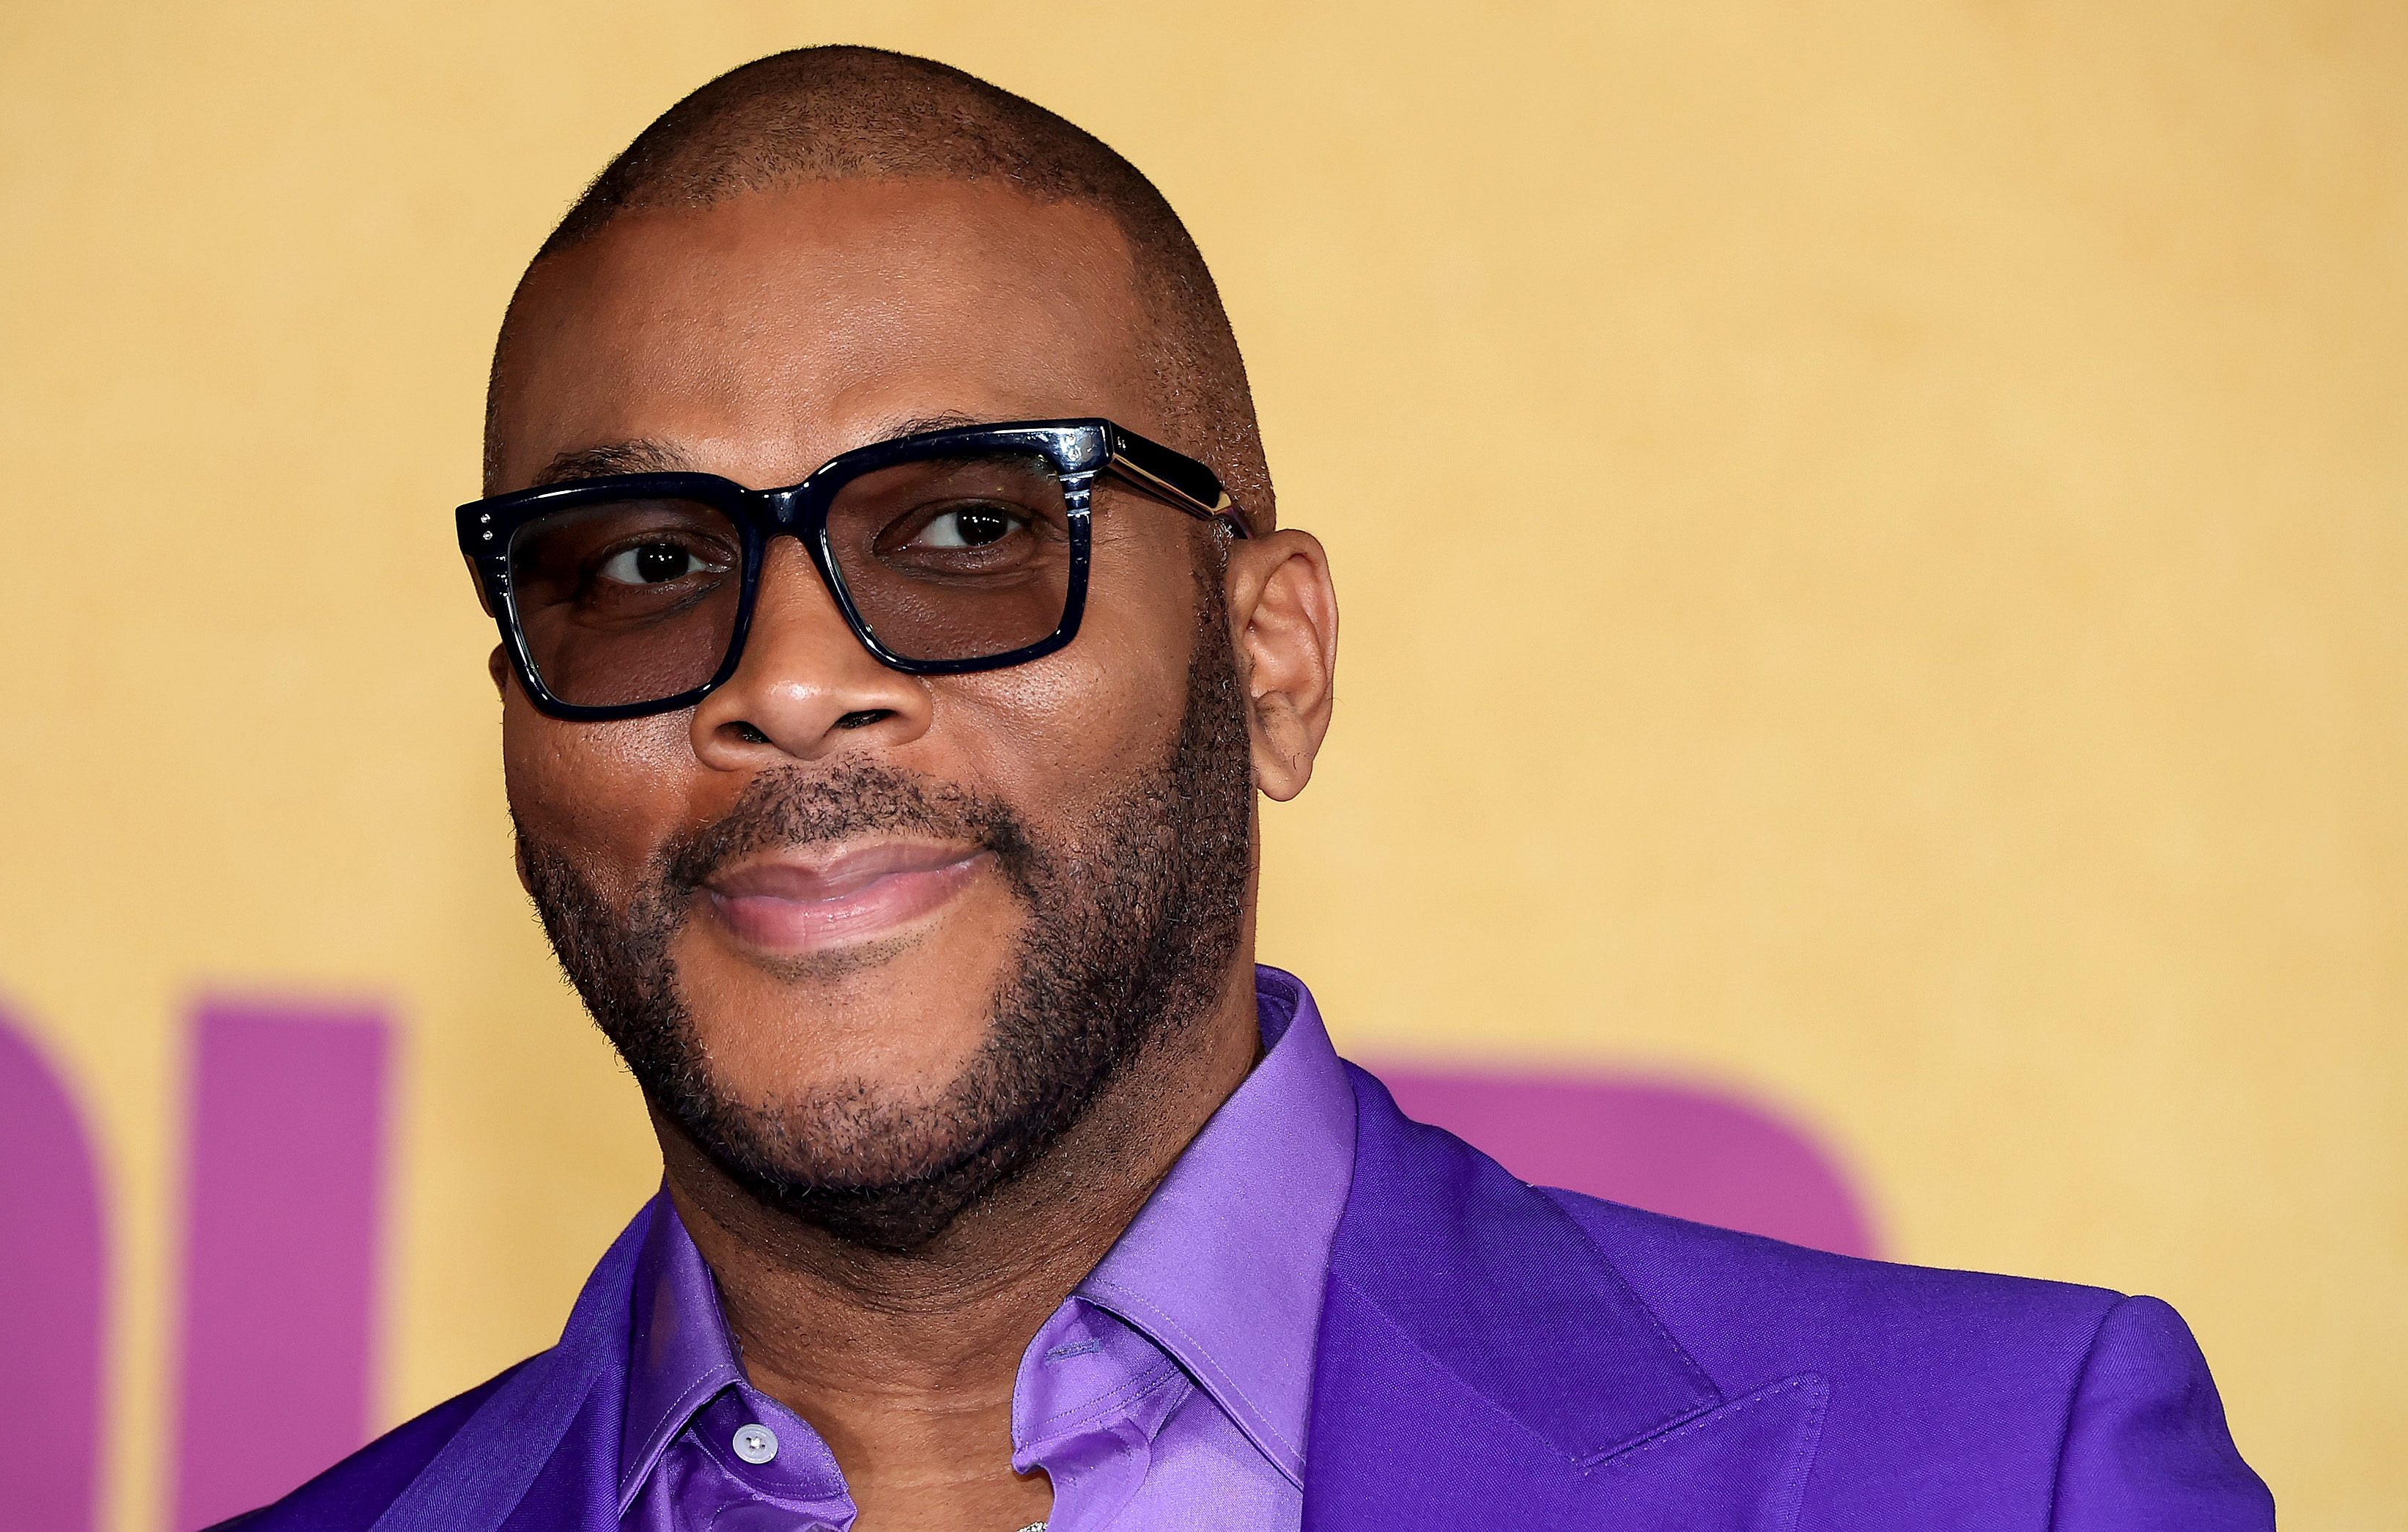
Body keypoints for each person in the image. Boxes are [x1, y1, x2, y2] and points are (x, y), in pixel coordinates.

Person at [228, 45, 2270, 1532]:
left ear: (1272, 659)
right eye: (646, 569)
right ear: (516, 708)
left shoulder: (2010, 1472)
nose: (786, 679)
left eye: (963, 535)